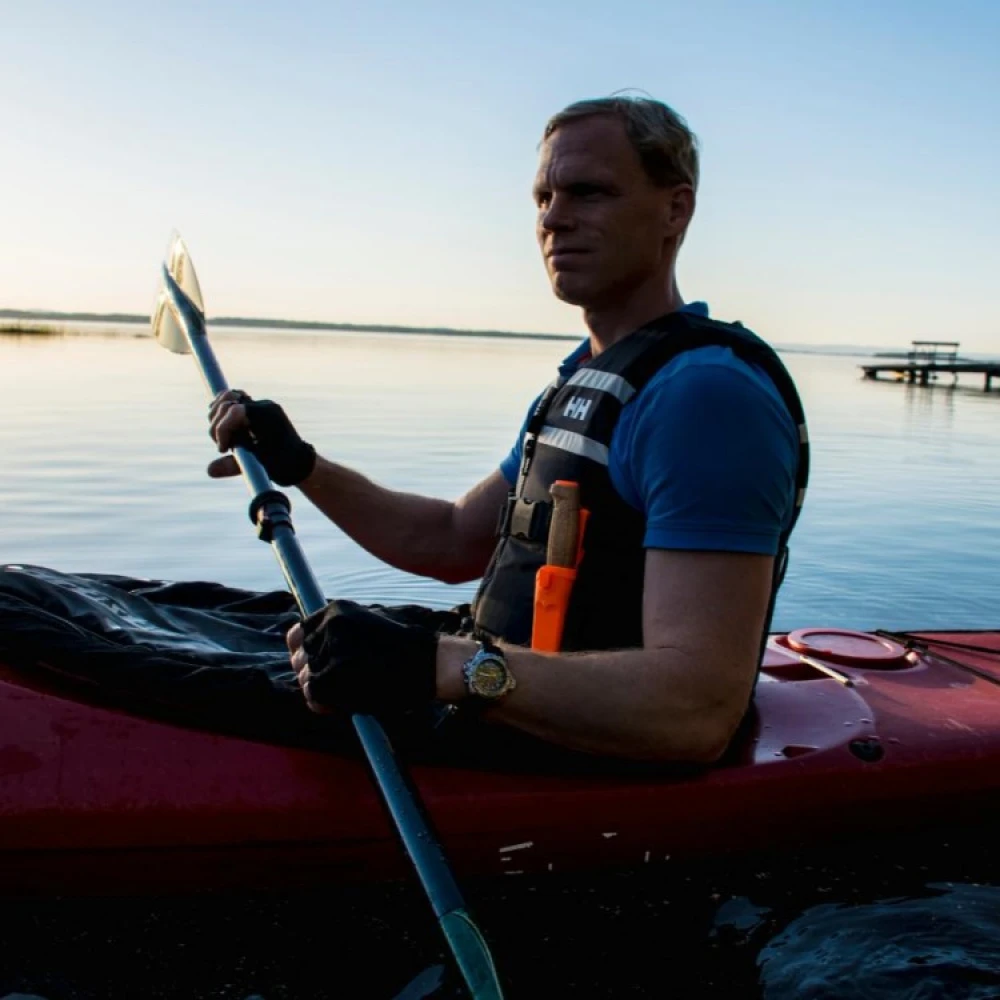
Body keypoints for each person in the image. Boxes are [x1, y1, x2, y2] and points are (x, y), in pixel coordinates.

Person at [207, 95, 808, 764]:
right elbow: (451, 540)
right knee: (188, 616)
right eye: (543, 196)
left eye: (588, 192)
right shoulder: (586, 379)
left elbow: (694, 711)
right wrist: (302, 466)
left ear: (676, 208)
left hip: (582, 758)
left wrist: (437, 667)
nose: (554, 218)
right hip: (504, 700)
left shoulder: (706, 399)